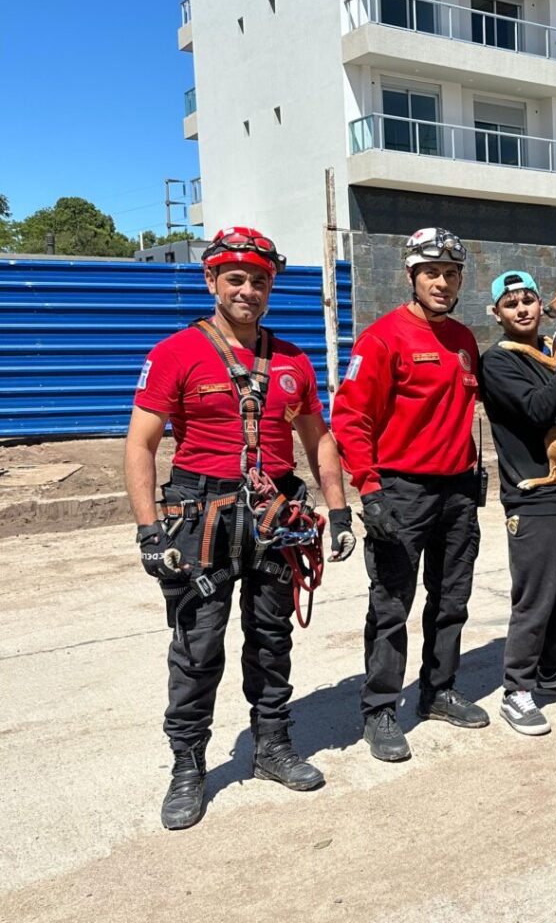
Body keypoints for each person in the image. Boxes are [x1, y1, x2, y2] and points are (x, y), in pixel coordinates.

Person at [124, 225, 357, 831]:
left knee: (272, 636)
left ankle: (272, 746)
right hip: (200, 514)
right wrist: (149, 531)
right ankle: (188, 765)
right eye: (235, 279)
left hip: (275, 514)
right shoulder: (175, 353)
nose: (247, 290)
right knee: (197, 646)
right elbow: (140, 445)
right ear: (212, 281)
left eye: (259, 280)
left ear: (270, 287)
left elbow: (318, 439)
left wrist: (338, 511)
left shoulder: (293, 360)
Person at [331, 227, 488, 763]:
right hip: (401, 491)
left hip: (458, 491)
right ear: (411, 277)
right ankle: (379, 708)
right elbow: (351, 417)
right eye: (431, 273)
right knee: (392, 605)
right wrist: (369, 489)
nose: (442, 283)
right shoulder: (382, 339)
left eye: (451, 274)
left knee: (452, 600)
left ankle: (438, 690)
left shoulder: (464, 340)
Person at [480, 270, 556, 737]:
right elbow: (540, 410)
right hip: (533, 498)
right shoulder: (499, 361)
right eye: (510, 304)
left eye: (528, 300)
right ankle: (516, 688)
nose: (523, 309)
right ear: (497, 314)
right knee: (535, 598)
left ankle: (552, 669)